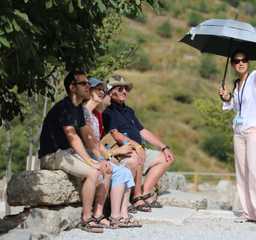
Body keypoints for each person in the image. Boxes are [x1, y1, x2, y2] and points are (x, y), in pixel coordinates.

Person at [38, 69, 112, 233]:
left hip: (68, 153)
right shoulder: (65, 107)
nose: (88, 86)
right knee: (92, 173)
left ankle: (98, 215)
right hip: (52, 155)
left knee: (106, 169)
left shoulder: (78, 108)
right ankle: (86, 219)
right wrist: (90, 162)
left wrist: (100, 159)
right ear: (72, 87)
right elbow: (73, 138)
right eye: (84, 83)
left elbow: (87, 136)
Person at [218, 51, 256, 225]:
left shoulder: (254, 78)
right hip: (239, 130)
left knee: (254, 168)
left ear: (248, 62)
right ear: (232, 65)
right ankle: (249, 212)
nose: (240, 63)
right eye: (236, 61)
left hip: (255, 129)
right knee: (242, 171)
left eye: (244, 60)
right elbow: (236, 106)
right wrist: (227, 97)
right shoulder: (237, 84)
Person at [103, 73, 175, 212]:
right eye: (119, 88)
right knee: (135, 158)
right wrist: (136, 146)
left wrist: (163, 147)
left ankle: (145, 193)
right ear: (111, 92)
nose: (124, 91)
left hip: (139, 149)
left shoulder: (129, 111)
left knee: (166, 158)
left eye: (126, 89)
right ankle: (135, 198)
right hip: (122, 151)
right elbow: (115, 134)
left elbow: (142, 131)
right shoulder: (108, 111)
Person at [82, 77, 141, 228]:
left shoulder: (97, 115)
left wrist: (108, 154)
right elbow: (90, 143)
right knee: (118, 169)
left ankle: (121, 215)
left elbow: (98, 143)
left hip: (99, 154)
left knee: (124, 172)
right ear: (89, 92)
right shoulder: (84, 113)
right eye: (99, 90)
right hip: (88, 156)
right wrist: (111, 154)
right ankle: (107, 215)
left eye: (104, 90)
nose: (103, 93)